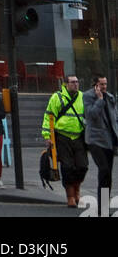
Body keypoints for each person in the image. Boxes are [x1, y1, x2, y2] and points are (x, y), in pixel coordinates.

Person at [41, 74, 88, 207]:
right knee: (67, 167)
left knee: (82, 166)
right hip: (62, 137)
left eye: (77, 82)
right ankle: (71, 196)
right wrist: (47, 136)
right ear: (66, 84)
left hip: (78, 137)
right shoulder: (57, 97)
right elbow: (48, 117)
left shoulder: (82, 97)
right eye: (73, 82)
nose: (76, 84)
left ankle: (77, 188)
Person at [83, 74, 118, 209]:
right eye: (102, 84)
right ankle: (101, 208)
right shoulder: (87, 96)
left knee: (107, 175)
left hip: (109, 140)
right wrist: (99, 100)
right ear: (95, 85)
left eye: (105, 84)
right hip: (95, 140)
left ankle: (103, 208)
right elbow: (91, 115)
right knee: (103, 170)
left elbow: (114, 118)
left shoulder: (110, 97)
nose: (104, 87)